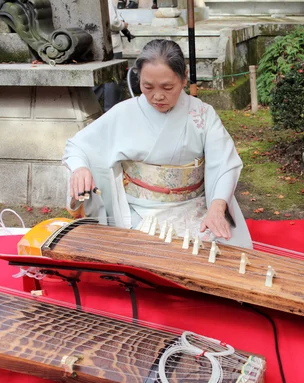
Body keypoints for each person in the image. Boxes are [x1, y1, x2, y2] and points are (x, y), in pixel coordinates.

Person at [63, 39, 252, 249]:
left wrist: (217, 207)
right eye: (147, 86)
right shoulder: (124, 112)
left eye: (167, 87)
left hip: (194, 207)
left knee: (219, 254)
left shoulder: (202, 114)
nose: (157, 96)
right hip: (139, 211)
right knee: (144, 254)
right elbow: (78, 146)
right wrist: (80, 168)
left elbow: (224, 162)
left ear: (184, 77)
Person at [95, 0, 129, 113]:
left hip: (97, 45)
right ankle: (111, 110)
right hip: (111, 44)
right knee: (113, 78)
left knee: (98, 79)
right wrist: (123, 25)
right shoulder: (106, 1)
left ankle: (94, 107)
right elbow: (112, 22)